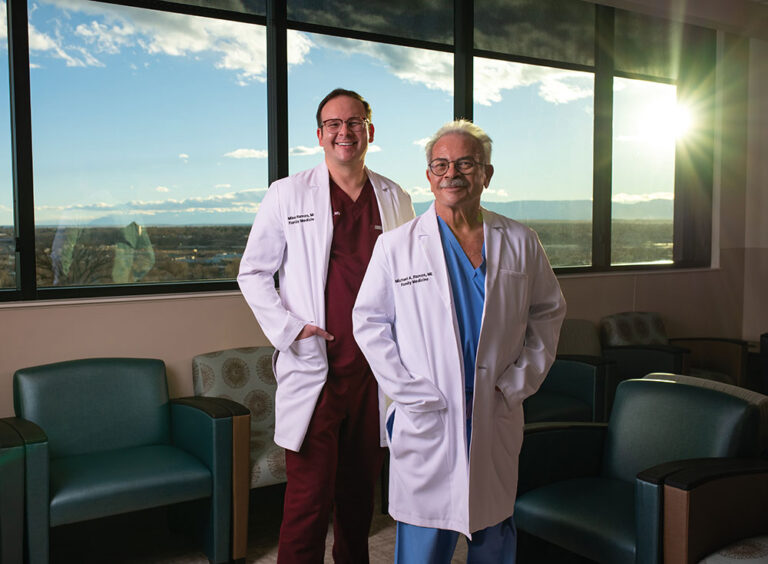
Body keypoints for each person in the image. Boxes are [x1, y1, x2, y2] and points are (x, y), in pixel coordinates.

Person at [352, 119, 566, 563]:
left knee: (492, 533)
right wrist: (407, 391)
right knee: (424, 539)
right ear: (429, 177)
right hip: (428, 410)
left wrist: (517, 384)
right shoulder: (397, 246)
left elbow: (548, 313)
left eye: (466, 163)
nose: (453, 173)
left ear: (487, 173)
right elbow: (369, 322)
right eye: (441, 164)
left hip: (493, 406)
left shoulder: (521, 242)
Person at [237, 88, 415, 563]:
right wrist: (289, 328)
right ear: (319, 135)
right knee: (308, 501)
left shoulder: (396, 197)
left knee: (359, 500)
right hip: (317, 369)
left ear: (369, 131)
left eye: (354, 122)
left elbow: (411, 277)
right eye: (333, 124)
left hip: (374, 371)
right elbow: (252, 272)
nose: (344, 132)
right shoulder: (287, 193)